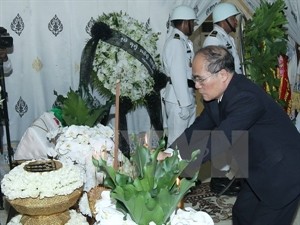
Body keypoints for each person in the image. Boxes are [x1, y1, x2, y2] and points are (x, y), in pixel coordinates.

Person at [159, 45, 300, 225]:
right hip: (259, 165)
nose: (196, 85)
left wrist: (176, 162)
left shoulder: (246, 97)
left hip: (282, 173)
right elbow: (198, 128)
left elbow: (219, 140)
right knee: (242, 213)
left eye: (200, 79)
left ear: (223, 75)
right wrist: (171, 152)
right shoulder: (216, 95)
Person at [161, 5, 197, 147]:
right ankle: (174, 169)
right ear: (184, 22)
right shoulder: (176, 43)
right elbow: (178, 75)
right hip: (178, 100)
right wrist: (184, 104)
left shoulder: (183, 41)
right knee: (177, 142)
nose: (193, 25)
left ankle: (184, 169)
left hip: (184, 97)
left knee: (187, 142)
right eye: (192, 22)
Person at [203, 2, 242, 74]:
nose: (236, 21)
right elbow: (213, 69)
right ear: (223, 21)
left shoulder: (227, 38)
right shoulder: (214, 39)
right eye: (233, 18)